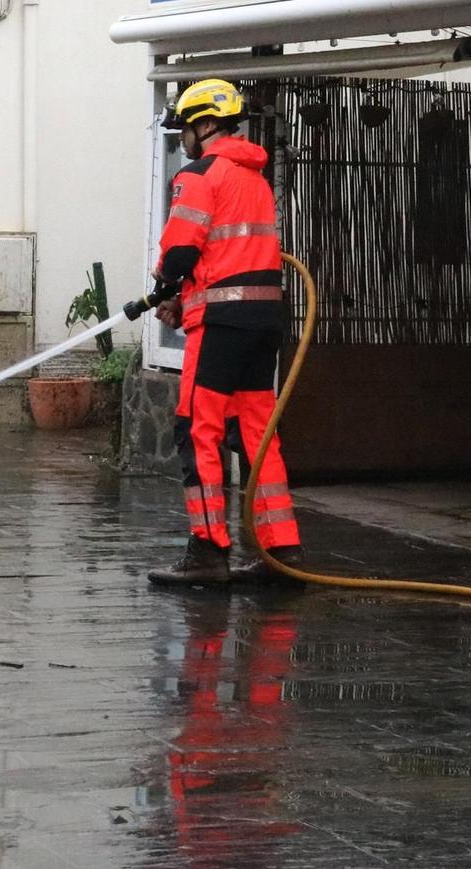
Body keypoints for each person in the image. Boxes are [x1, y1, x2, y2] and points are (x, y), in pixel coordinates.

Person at [145, 79, 304, 587]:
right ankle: (283, 554)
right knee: (257, 433)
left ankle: (209, 551)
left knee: (198, 429)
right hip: (262, 323)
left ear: (206, 124)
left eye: (186, 129)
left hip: (220, 326)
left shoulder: (199, 175)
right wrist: (185, 298)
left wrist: (167, 288)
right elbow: (229, 258)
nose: (184, 140)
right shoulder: (254, 178)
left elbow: (181, 254)